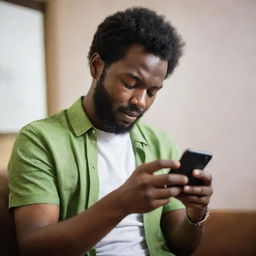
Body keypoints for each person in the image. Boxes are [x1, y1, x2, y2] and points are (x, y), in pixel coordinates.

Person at [8, 7, 213, 256]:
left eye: (152, 91)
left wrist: (196, 214)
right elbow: (34, 247)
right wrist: (122, 202)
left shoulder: (160, 143)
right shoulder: (40, 139)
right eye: (131, 83)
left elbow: (182, 246)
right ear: (97, 67)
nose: (141, 101)